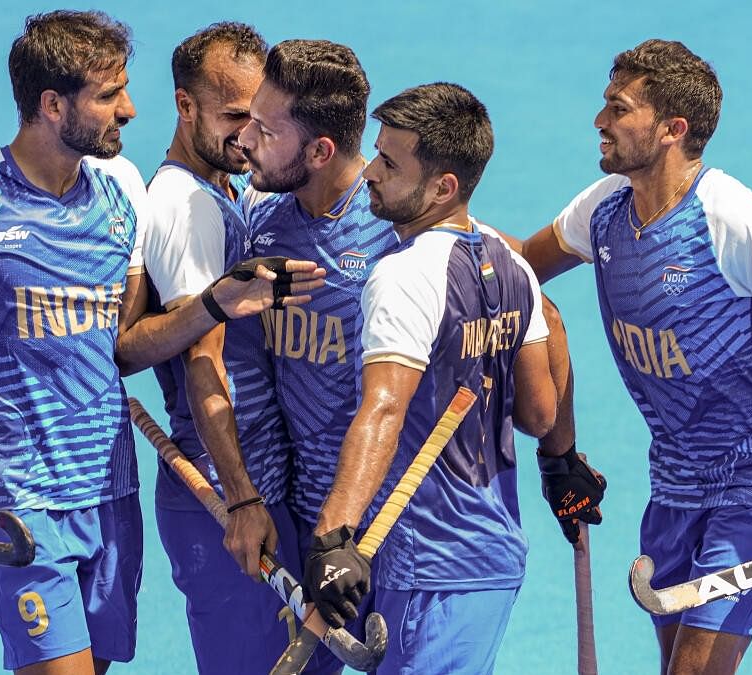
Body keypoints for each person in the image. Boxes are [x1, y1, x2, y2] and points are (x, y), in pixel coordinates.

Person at [0, 11, 323, 674]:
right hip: (19, 499)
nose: (130, 110)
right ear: (52, 105)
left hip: (112, 494)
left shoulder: (121, 189)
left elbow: (128, 342)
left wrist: (212, 304)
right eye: (109, 96)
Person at [516, 39, 752, 675]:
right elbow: (515, 273)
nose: (599, 121)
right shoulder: (604, 209)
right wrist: (438, 228)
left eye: (618, 109)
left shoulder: (731, 217)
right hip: (673, 482)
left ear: (672, 129)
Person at [300, 82, 558, 674]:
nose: (368, 172)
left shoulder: (404, 276)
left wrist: (333, 537)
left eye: (389, 163)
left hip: (429, 560)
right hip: (491, 556)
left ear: (442, 188)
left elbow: (384, 409)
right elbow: (539, 414)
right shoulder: (513, 265)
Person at [234, 38, 400, 674]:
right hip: (307, 519)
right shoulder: (263, 216)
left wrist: (558, 450)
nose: (245, 140)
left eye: (265, 130)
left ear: (321, 150)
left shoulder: (397, 223)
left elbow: (520, 290)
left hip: (394, 524)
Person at [142, 22, 300, 674]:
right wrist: (239, 498)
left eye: (259, 116)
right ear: (185, 106)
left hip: (260, 490)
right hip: (226, 501)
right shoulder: (186, 209)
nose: (249, 134)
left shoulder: (227, 190)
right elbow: (203, 359)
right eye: (233, 116)